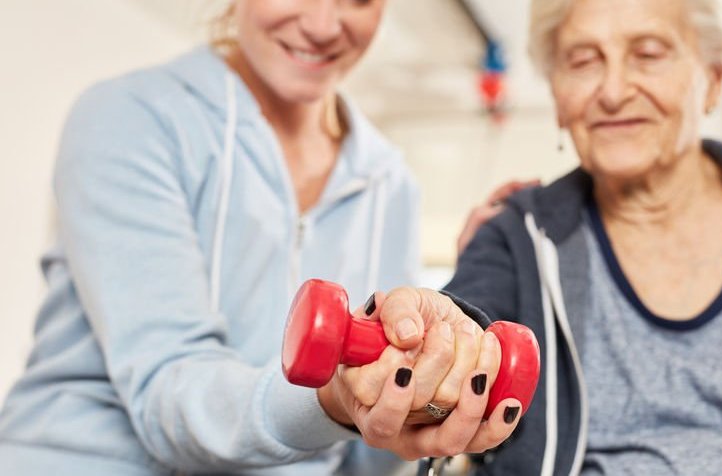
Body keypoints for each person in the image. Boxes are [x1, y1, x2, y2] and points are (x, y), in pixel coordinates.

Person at [0, 1, 520, 474]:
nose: (321, 25)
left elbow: (358, 450)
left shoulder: (392, 184)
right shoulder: (130, 119)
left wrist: (426, 370)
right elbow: (170, 398)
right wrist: (332, 401)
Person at [375, 0, 722, 474]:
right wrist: (433, 350)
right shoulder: (517, 236)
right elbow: (466, 327)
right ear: (557, 96)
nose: (614, 91)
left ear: (714, 79)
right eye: (582, 62)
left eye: (648, 54)